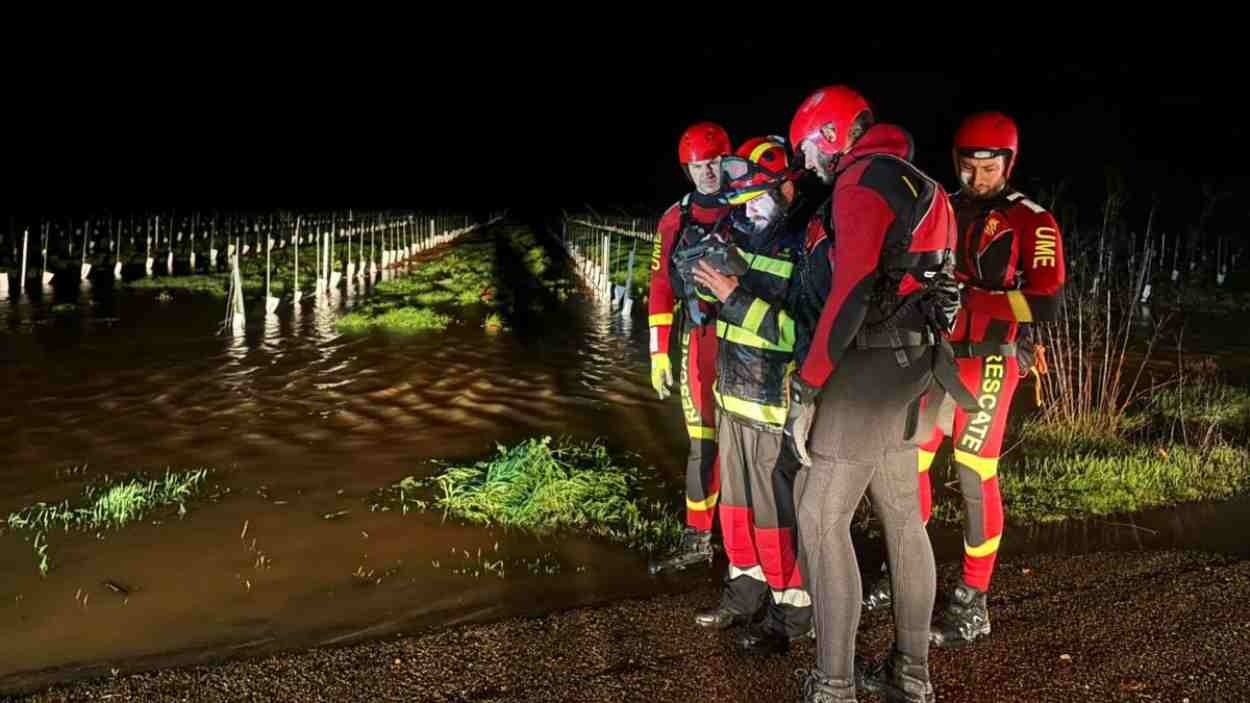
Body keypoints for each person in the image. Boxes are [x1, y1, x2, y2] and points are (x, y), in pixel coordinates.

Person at [786, 85, 967, 703]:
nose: (808, 160)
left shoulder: (861, 180)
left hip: (866, 372)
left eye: (810, 145)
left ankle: (833, 685)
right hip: (915, 368)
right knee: (904, 518)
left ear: (835, 134)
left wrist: (809, 383)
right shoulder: (922, 182)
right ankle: (910, 674)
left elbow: (853, 291)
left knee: (818, 516)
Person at [863, 111, 1066, 649]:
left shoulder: (1034, 220)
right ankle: (905, 571)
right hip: (935, 358)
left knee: (975, 475)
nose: (978, 177)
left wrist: (975, 297)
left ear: (1009, 163)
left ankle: (973, 601)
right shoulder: (944, 208)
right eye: (970, 166)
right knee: (912, 464)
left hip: (990, 362)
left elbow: (1046, 301)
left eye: (989, 167)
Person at [688, 135, 813, 653]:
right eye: (743, 199)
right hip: (731, 398)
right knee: (735, 513)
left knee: (774, 516)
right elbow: (715, 304)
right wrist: (699, 284)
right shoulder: (736, 232)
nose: (750, 207)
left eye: (761, 195)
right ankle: (743, 595)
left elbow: (798, 335)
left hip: (772, 407)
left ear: (788, 187)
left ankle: (791, 613)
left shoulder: (806, 244)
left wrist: (733, 296)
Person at [647, 122, 735, 575]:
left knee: (751, 444)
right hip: (697, 338)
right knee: (702, 442)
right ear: (688, 169)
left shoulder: (752, 204)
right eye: (700, 166)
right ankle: (698, 536)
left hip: (747, 340)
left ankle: (757, 546)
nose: (708, 174)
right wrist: (658, 350)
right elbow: (661, 284)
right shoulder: (674, 218)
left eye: (716, 163)